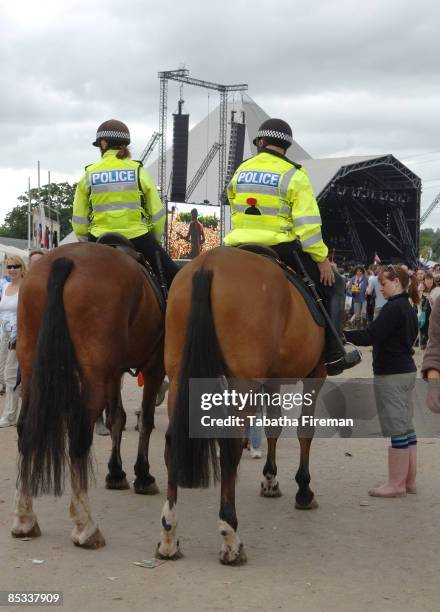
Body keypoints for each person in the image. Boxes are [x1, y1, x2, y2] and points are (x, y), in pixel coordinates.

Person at [224, 118, 361, 376]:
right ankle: (334, 354)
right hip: (280, 246)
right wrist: (321, 259)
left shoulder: (241, 170)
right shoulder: (295, 174)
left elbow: (231, 199)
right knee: (336, 285)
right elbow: (308, 224)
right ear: (286, 147)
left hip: (237, 245)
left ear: (260, 143)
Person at [72, 119, 178, 289]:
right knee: (176, 278)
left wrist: (87, 242)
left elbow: (79, 219)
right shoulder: (138, 171)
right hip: (137, 236)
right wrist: (154, 239)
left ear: (104, 143)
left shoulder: (89, 174)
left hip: (99, 236)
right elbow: (157, 214)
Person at [345, 265, 419, 497]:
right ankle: (408, 480)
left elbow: (371, 335)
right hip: (406, 370)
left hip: (392, 373)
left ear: (396, 281)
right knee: (406, 427)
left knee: (397, 428)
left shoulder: (393, 308)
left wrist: (342, 335)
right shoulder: (407, 306)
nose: (381, 289)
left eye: (384, 284)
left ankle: (396, 484)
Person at [0, 256, 26, 427]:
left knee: (11, 375)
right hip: (3, 335)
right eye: (10, 266)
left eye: (16, 266)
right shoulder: (6, 286)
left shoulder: (26, 286)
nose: (12, 269)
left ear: (22, 267)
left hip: (18, 336)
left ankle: (10, 415)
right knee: (2, 372)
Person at [419, 272, 435, 350]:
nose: (429, 281)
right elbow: (417, 302)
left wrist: (431, 299)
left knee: (431, 329)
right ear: (424, 281)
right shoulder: (421, 290)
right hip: (423, 314)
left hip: (433, 314)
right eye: (427, 279)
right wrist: (420, 292)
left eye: (431, 279)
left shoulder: (436, 290)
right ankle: (423, 342)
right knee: (423, 328)